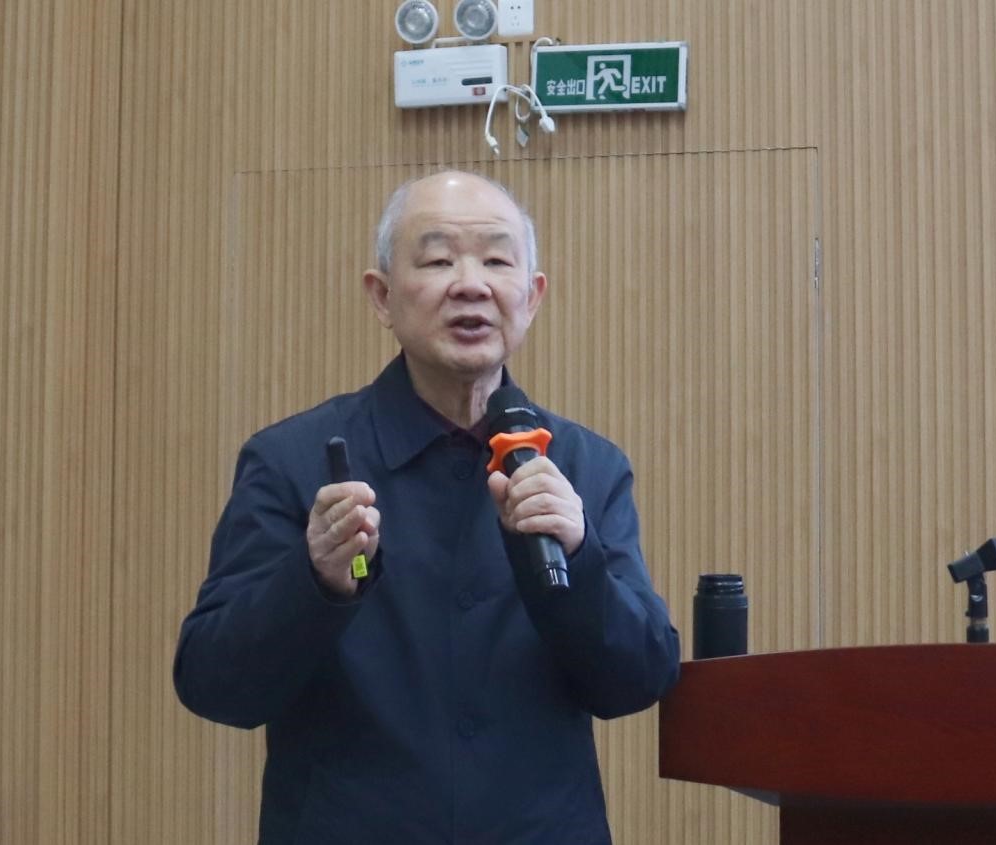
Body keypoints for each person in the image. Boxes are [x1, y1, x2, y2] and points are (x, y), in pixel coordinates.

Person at [173, 170, 681, 844]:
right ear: (382, 297)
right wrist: (314, 579)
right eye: (439, 260)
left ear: (531, 297)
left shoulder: (587, 467)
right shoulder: (292, 461)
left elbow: (639, 681)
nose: (471, 284)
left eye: (496, 260)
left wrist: (580, 553)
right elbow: (214, 684)